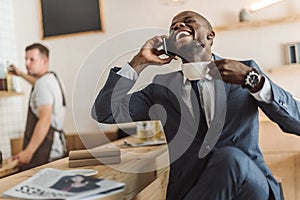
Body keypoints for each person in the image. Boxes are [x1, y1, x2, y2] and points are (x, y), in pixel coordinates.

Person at [92, 10, 300, 200]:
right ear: (170, 48)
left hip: (249, 189)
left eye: (188, 21)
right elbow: (104, 112)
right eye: (173, 28)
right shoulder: (161, 89)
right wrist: (138, 62)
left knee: (230, 158)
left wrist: (252, 80)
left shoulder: (245, 71)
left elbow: (296, 122)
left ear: (210, 35)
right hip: (190, 190)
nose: (178, 26)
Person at [10, 43, 66, 171]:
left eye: (32, 60)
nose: (27, 63)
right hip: (57, 147)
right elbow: (37, 84)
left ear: (44, 60)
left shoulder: (43, 84)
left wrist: (28, 152)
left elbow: (45, 120)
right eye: (26, 59)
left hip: (46, 151)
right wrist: (21, 74)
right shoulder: (52, 79)